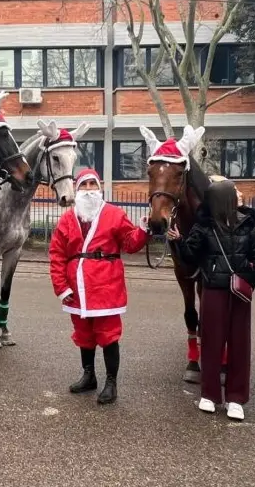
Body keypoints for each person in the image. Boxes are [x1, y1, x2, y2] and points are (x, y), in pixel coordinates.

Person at [48, 169, 150, 405]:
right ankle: (89, 376)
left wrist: (143, 229)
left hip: (106, 286)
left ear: (99, 188)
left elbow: (130, 243)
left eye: (93, 184)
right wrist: (61, 287)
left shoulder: (115, 214)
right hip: (77, 288)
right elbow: (57, 255)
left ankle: (111, 382)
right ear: (77, 190)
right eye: (84, 185)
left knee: (108, 334)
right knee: (83, 334)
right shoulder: (67, 219)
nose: (89, 190)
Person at [167, 180, 255, 421]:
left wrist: (248, 281)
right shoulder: (203, 227)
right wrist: (178, 241)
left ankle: (236, 398)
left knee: (240, 344)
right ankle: (209, 395)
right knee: (211, 342)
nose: (239, 196)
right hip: (212, 290)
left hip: (239, 293)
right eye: (234, 193)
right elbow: (190, 256)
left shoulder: (247, 225)